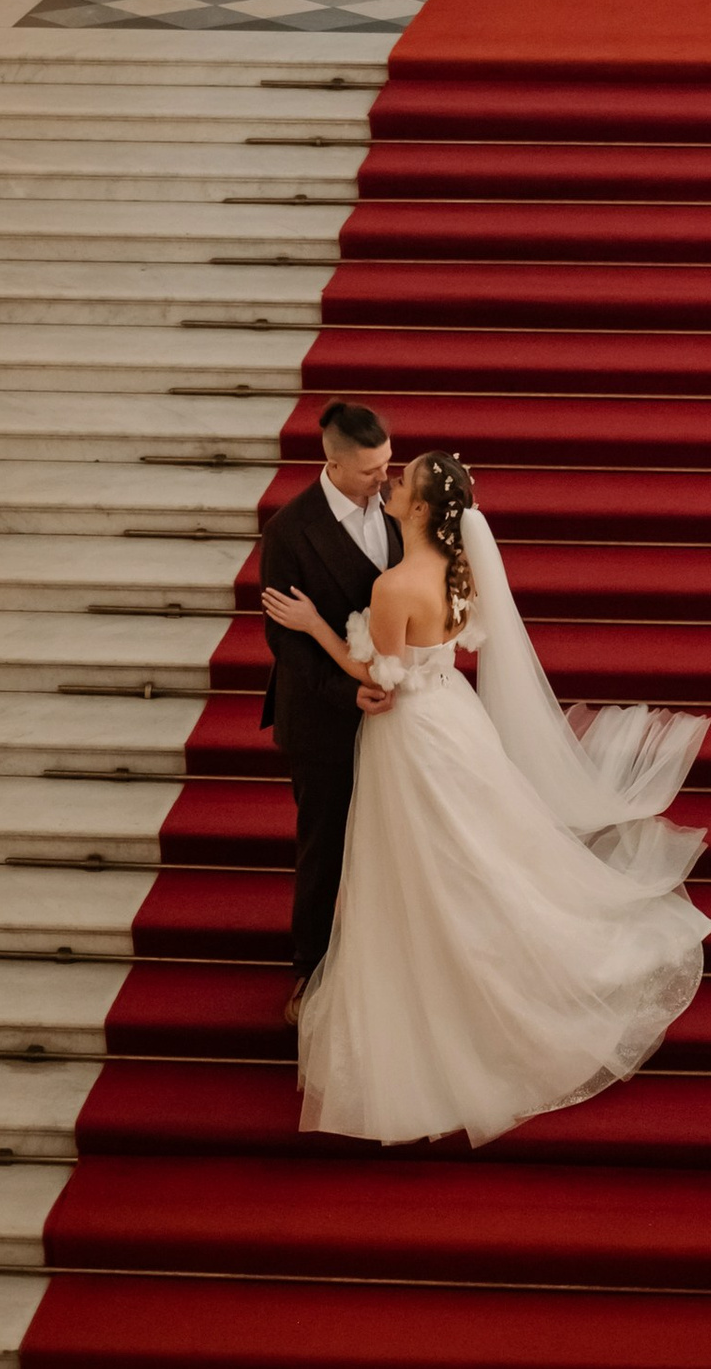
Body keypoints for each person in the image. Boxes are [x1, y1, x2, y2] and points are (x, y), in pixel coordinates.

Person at [264, 448, 711, 1147]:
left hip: (411, 733)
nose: (389, 481)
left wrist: (315, 625)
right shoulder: (458, 569)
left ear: (417, 507)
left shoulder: (391, 588)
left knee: (423, 862)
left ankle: (442, 999)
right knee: (477, 851)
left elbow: (376, 678)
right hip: (456, 716)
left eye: (401, 479)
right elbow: (455, 643)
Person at [255, 400, 401, 1003]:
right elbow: (284, 643)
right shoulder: (290, 531)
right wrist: (349, 691)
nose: (383, 479)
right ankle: (310, 972)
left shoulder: (398, 510)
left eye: (388, 463)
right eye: (370, 471)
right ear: (333, 463)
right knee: (325, 847)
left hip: (394, 713)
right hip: (322, 715)